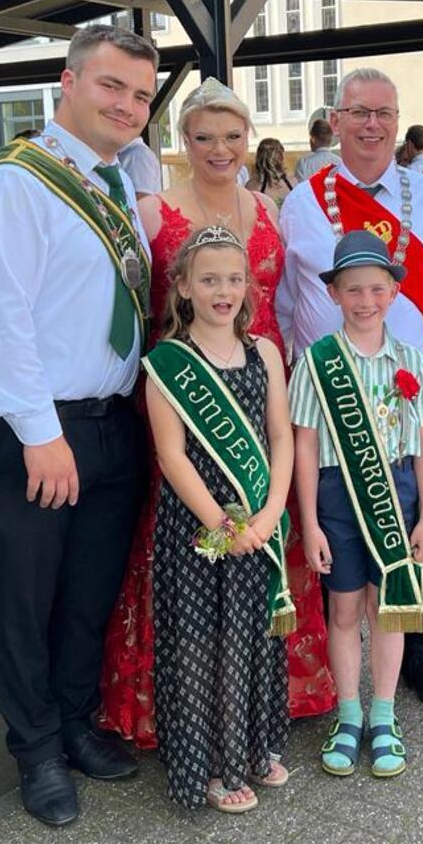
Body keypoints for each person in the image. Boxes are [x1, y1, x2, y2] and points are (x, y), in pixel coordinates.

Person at [0, 25, 157, 827]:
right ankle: (34, 748)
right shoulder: (14, 183)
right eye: (113, 86)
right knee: (25, 596)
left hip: (109, 422)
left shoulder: (110, 184)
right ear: (67, 84)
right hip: (29, 426)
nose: (128, 105)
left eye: (141, 94)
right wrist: (42, 433)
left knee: (87, 592)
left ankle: (75, 721)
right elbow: (0, 320)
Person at [101, 78, 335, 751]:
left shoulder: (267, 205)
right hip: (188, 393)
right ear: (183, 141)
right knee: (189, 537)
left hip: (259, 380)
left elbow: (286, 299)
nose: (220, 148)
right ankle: (187, 709)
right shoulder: (152, 210)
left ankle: (269, 697)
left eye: (233, 135)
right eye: (204, 136)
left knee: (265, 520)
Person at [277, 67, 423, 712]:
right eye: (357, 112)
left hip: (415, 387)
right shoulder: (303, 202)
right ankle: (339, 689)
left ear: (398, 120)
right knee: (339, 536)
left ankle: (419, 653)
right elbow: (285, 302)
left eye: (383, 113)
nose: (371, 124)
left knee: (416, 521)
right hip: (329, 397)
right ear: (336, 121)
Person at [145, 225, 294, 812]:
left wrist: (273, 508)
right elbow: (171, 455)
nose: (223, 290)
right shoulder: (168, 363)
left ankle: (255, 747)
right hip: (198, 530)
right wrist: (222, 527)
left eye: (234, 278)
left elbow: (280, 435)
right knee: (201, 642)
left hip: (259, 522)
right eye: (208, 279)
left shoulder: (265, 353)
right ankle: (210, 765)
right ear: (183, 287)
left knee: (253, 636)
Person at [289, 230, 423, 779]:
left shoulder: (411, 361)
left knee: (389, 608)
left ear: (393, 294)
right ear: (333, 294)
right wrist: (309, 522)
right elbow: (305, 445)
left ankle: (384, 715)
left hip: (394, 494)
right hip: (334, 497)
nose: (365, 301)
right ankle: (347, 714)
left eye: (377, 289)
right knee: (345, 610)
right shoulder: (314, 363)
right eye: (353, 290)